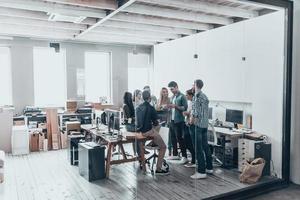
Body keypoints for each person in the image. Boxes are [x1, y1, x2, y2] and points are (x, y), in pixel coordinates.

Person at [136, 90, 169, 175]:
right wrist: (156, 123)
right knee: (163, 147)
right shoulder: (151, 108)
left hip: (139, 132)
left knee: (155, 129)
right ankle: (158, 169)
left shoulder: (138, 107)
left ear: (143, 97)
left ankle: (153, 142)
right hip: (147, 132)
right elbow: (156, 122)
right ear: (150, 98)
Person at [190, 79, 213, 179]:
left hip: (197, 126)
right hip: (204, 125)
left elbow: (195, 112)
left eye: (193, 84)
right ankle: (209, 168)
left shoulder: (196, 96)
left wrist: (190, 121)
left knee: (198, 149)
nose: (192, 86)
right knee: (205, 147)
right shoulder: (205, 96)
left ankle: (201, 172)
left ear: (196, 85)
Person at [167, 81, 188, 164]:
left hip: (179, 121)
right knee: (173, 138)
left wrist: (175, 106)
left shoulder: (182, 96)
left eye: (172, 89)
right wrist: (168, 107)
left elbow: (185, 108)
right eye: (170, 89)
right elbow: (171, 109)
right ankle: (175, 154)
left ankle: (184, 156)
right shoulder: (172, 97)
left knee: (180, 139)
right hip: (172, 121)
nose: (171, 91)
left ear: (176, 87)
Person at [156, 87, 172, 156]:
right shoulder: (159, 100)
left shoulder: (169, 99)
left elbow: (170, 111)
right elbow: (156, 109)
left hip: (167, 119)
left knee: (168, 136)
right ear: (161, 93)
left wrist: (168, 120)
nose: (165, 93)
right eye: (163, 92)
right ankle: (159, 149)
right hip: (160, 120)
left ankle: (170, 151)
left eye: (166, 91)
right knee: (160, 135)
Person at [182, 89, 196, 168]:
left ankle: (194, 160)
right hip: (187, 124)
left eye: (187, 95)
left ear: (190, 95)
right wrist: (186, 113)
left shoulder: (193, 103)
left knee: (190, 143)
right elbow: (190, 113)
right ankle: (193, 160)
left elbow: (192, 114)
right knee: (187, 142)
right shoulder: (190, 102)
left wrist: (187, 113)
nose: (186, 96)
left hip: (190, 124)